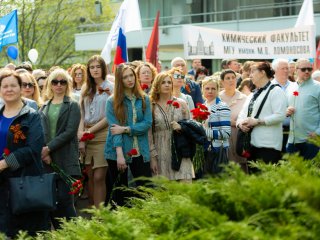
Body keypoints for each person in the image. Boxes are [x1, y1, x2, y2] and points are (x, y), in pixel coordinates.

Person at [0, 69, 49, 237]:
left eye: (13, 85)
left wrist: (5, 163)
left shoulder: (32, 116)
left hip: (24, 181)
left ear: (21, 89)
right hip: (1, 184)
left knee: (26, 232)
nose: (9, 89)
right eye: (5, 86)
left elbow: (32, 150)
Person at [39, 68, 81, 229]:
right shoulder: (43, 106)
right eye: (55, 81)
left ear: (67, 84)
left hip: (66, 159)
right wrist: (45, 152)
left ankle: (75, 235)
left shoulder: (73, 105)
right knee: (51, 202)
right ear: (50, 84)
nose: (58, 85)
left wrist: (48, 148)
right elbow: (41, 132)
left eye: (62, 82)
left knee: (66, 201)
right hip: (46, 162)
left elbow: (70, 132)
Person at [105, 63, 152, 206]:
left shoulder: (144, 98)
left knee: (146, 191)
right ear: (120, 80)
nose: (130, 79)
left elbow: (147, 124)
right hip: (118, 152)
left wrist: (126, 129)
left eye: (131, 75)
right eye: (125, 77)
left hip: (141, 150)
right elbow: (114, 130)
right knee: (120, 195)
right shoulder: (112, 101)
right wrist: (119, 155)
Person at [237, 62, 287, 172]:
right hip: (251, 146)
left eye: (253, 72)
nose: (250, 75)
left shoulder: (276, 91)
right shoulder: (252, 95)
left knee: (267, 183)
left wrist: (258, 121)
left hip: (269, 146)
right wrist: (240, 124)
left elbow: (280, 116)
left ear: (262, 73)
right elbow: (241, 115)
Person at [78, 55, 113, 208]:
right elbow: (81, 112)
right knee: (90, 175)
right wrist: (81, 134)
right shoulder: (86, 88)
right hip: (86, 135)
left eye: (98, 66)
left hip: (103, 133)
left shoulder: (110, 87)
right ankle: (93, 210)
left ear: (103, 68)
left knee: (99, 176)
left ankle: (100, 214)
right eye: (92, 67)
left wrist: (90, 131)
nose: (95, 70)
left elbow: (110, 116)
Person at [149, 72, 194, 182]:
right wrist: (152, 156)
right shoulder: (151, 105)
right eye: (163, 82)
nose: (167, 85)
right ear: (157, 85)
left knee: (185, 187)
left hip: (180, 147)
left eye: (169, 82)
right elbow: (149, 132)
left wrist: (181, 127)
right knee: (164, 189)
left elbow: (190, 127)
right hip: (160, 150)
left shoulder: (182, 103)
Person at [286, 59, 320, 160]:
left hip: (311, 139)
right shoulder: (291, 87)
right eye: (303, 69)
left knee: (311, 174)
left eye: (309, 69)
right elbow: (285, 106)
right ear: (296, 70)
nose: (307, 71)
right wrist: (287, 110)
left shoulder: (318, 87)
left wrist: (318, 132)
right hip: (292, 140)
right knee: (293, 174)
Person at [202, 76, 231, 175]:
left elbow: (226, 133)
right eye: (207, 88)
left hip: (217, 150)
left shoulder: (222, 106)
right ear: (203, 89)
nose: (210, 91)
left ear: (218, 90)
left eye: (213, 88)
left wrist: (204, 132)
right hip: (204, 151)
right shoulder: (202, 106)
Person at [220, 69, 248, 172]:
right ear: (222, 82)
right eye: (228, 78)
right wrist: (236, 123)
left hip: (239, 139)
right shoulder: (217, 98)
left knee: (241, 171)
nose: (231, 80)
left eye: (233, 78)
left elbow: (247, 117)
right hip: (222, 140)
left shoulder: (244, 98)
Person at [271, 58, 296, 153]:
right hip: (274, 131)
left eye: (287, 68)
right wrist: (282, 112)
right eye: (283, 68)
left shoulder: (295, 86)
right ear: (275, 70)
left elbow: (298, 99)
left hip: (292, 131)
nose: (286, 71)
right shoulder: (269, 87)